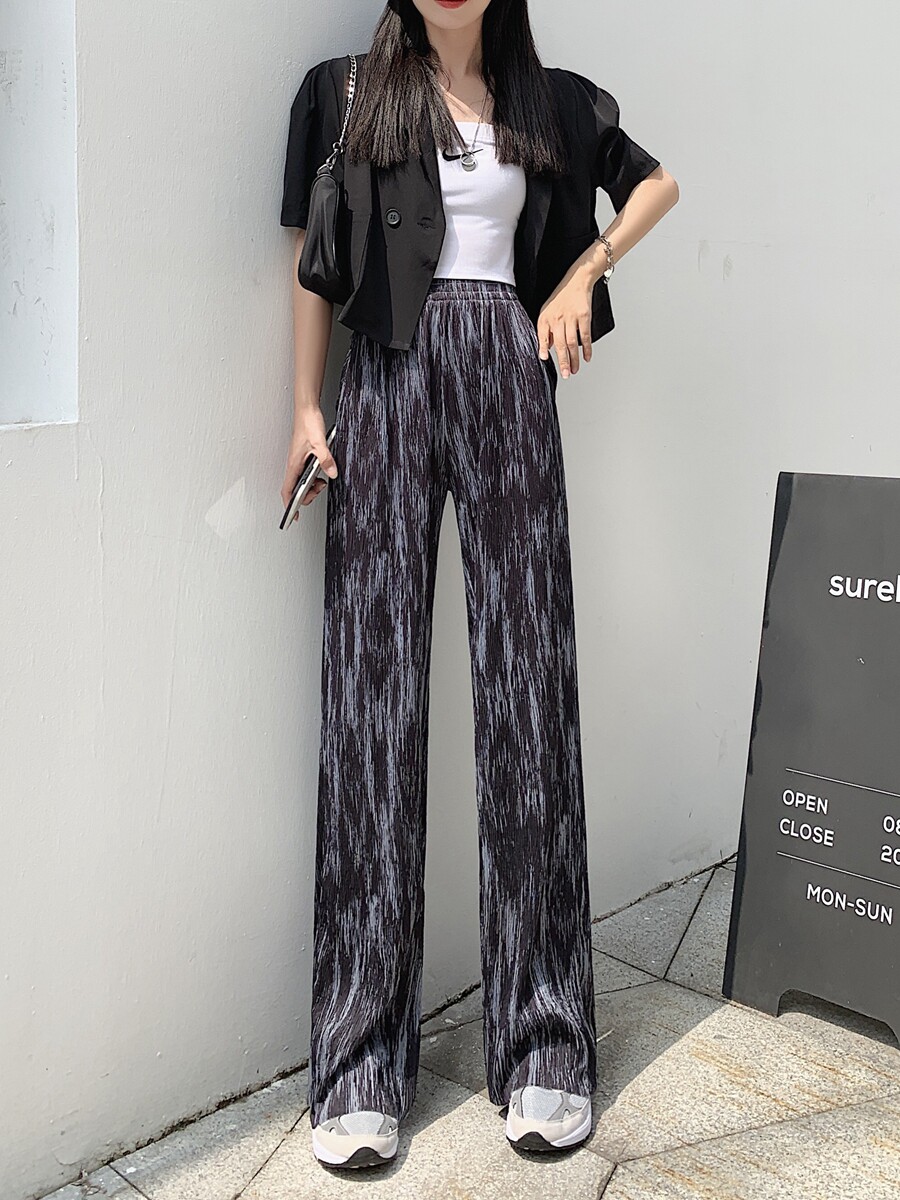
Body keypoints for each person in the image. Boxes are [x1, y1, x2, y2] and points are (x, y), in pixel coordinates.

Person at [278, 0, 679, 1171]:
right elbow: (313, 263)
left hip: (508, 373)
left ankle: (545, 1041)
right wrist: (305, 407)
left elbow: (656, 185)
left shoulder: (554, 101)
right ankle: (358, 1060)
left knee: (529, 700)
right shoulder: (345, 91)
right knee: (371, 711)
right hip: (383, 383)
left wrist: (582, 271)